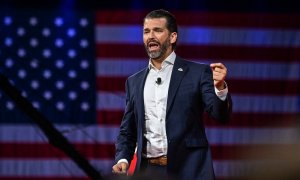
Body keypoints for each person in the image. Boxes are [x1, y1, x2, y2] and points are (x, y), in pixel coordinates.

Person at [112, 9, 232, 180]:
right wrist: (123, 158)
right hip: (148, 172)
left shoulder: (197, 73)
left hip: (190, 171)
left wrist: (220, 88)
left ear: (173, 37)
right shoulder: (134, 82)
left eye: (158, 30)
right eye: (146, 31)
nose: (150, 36)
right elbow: (128, 130)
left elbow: (220, 115)